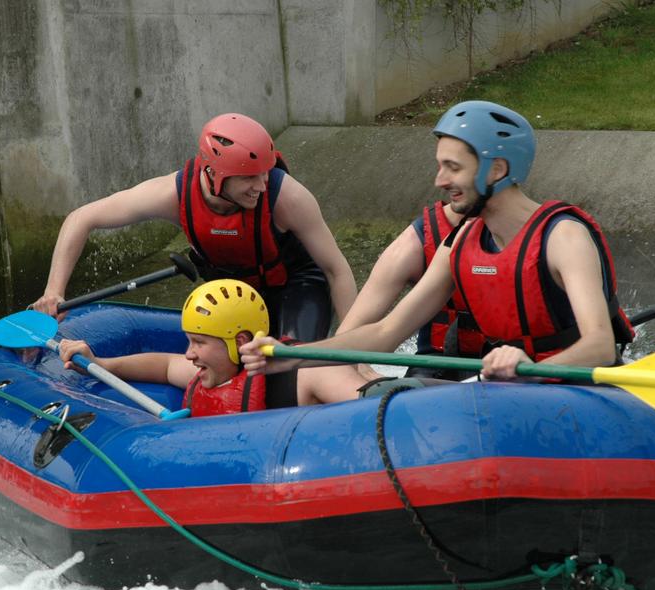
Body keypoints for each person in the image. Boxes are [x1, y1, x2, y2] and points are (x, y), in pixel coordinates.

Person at [241, 100, 634, 386]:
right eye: (440, 166)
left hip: (577, 391)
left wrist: (528, 371)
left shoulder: (563, 237)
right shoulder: (462, 241)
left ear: (497, 170)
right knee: (405, 397)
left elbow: (599, 346)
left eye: (453, 167)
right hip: (512, 394)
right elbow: (386, 333)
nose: (439, 181)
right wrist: (294, 356)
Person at [33, 113, 356, 347]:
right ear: (214, 173)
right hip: (230, 292)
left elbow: (336, 270)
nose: (260, 185)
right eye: (248, 177)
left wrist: (354, 349)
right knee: (217, 365)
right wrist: (54, 292)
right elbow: (81, 218)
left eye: (264, 173)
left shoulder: (287, 197)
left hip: (296, 285)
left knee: (290, 367)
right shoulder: (172, 195)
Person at [58, 280, 359, 417]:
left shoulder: (305, 373)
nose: (189, 354)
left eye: (199, 342)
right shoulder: (215, 372)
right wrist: (101, 363)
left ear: (239, 343)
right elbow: (163, 365)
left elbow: (377, 405)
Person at [337, 201, 484, 383]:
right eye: (441, 170)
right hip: (434, 365)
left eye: (455, 170)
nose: (441, 181)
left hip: (506, 368)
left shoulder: (526, 240)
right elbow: (366, 333)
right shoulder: (412, 244)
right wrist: (359, 367)